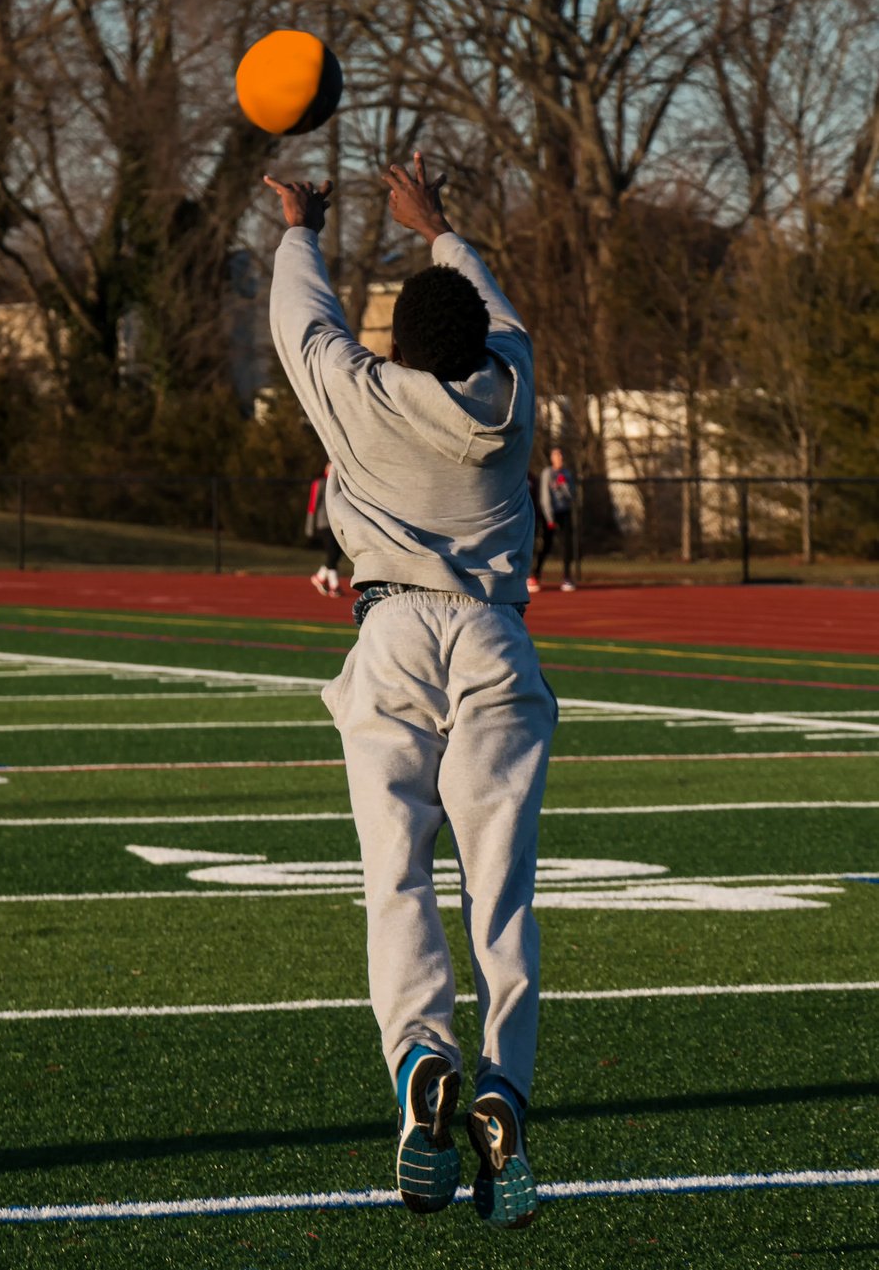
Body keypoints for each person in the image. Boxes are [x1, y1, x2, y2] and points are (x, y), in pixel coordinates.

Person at [264, 152, 557, 1230]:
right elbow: (499, 313)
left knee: (396, 876)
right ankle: (502, 1082)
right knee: (503, 890)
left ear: (396, 344)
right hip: (495, 640)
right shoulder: (514, 388)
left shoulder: (364, 396)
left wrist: (304, 225)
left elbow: (302, 323)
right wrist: (435, 223)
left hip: (390, 634)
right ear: (479, 339)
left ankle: (420, 1059)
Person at [529, 446, 576, 592]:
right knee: (546, 546)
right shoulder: (547, 473)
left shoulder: (566, 474)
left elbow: (572, 496)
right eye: (557, 456)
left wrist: (564, 485)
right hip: (550, 514)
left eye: (561, 456)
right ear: (552, 458)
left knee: (568, 546)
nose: (560, 459)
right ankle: (535, 576)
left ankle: (567, 578)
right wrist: (549, 518)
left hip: (564, 512)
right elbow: (545, 497)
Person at [306, 461, 343, 596]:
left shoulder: (341, 484)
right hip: (324, 525)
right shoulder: (320, 483)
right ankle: (334, 586)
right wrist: (310, 527)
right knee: (332, 553)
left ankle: (320, 577)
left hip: (337, 524)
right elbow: (312, 506)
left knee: (337, 553)